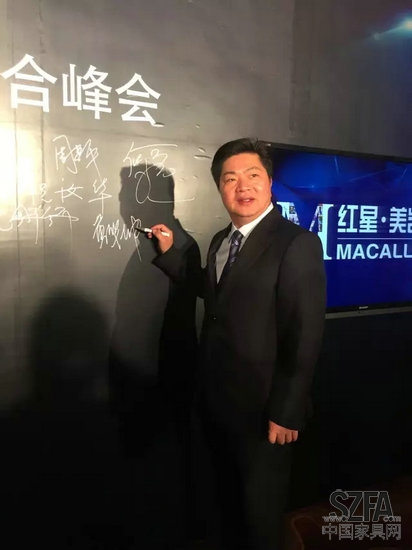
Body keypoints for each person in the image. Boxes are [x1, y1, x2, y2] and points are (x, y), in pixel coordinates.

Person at [149, 138, 327, 550]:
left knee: (258, 515)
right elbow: (216, 294)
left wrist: (287, 411)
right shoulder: (219, 240)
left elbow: (305, 332)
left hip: (264, 412)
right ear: (219, 188)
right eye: (230, 179)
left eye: (252, 175)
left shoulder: (296, 243)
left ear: (269, 183)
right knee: (223, 507)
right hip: (216, 402)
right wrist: (172, 256)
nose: (242, 186)